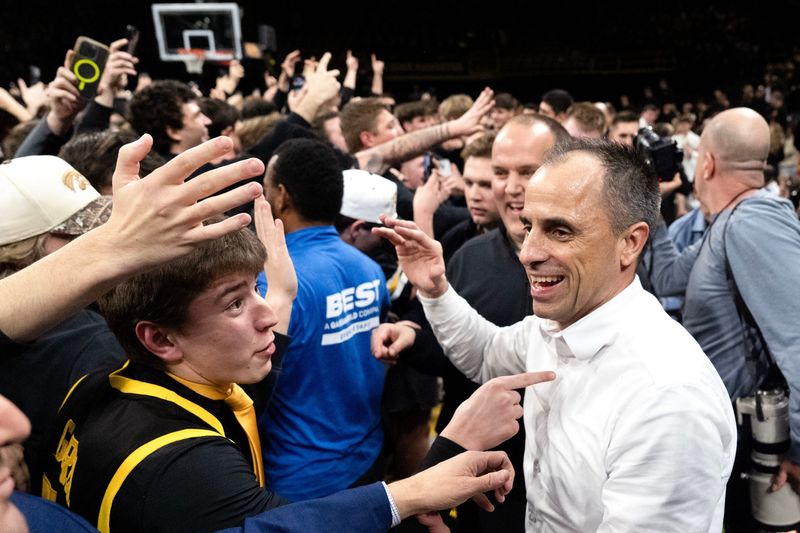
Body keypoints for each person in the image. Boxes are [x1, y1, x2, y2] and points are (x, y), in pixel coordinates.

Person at [0, 134, 531, 533]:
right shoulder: (181, 463)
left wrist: (278, 294)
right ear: (159, 339)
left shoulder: (108, 376)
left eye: (255, 293)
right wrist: (444, 456)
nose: (269, 316)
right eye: (236, 302)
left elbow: (238, 384)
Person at [375, 138, 736, 532]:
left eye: (560, 231)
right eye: (529, 226)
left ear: (630, 242)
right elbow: (485, 352)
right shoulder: (559, 324)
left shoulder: (666, 398)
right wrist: (435, 289)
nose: (528, 252)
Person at [648, 107, 800, 532]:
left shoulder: (754, 220)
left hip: (758, 445)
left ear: (709, 162)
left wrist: (798, 448)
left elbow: (797, 337)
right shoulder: (731, 222)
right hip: (727, 440)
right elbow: (666, 279)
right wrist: (651, 196)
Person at [258, 138, 390, 501]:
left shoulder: (272, 285)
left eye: (267, 187)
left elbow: (250, 388)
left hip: (302, 483)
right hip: (369, 463)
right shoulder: (370, 269)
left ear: (281, 196)